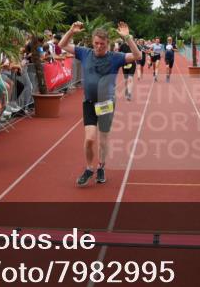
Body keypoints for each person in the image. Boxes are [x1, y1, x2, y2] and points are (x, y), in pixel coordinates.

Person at [59, 21, 141, 186]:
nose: (99, 46)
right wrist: (71, 31)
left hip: (106, 103)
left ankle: (101, 166)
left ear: (107, 43)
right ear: (92, 42)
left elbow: (138, 56)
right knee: (89, 139)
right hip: (89, 102)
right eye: (96, 43)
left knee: (103, 139)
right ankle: (89, 168)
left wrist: (128, 38)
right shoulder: (85, 53)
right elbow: (62, 45)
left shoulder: (115, 57)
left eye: (102, 44)